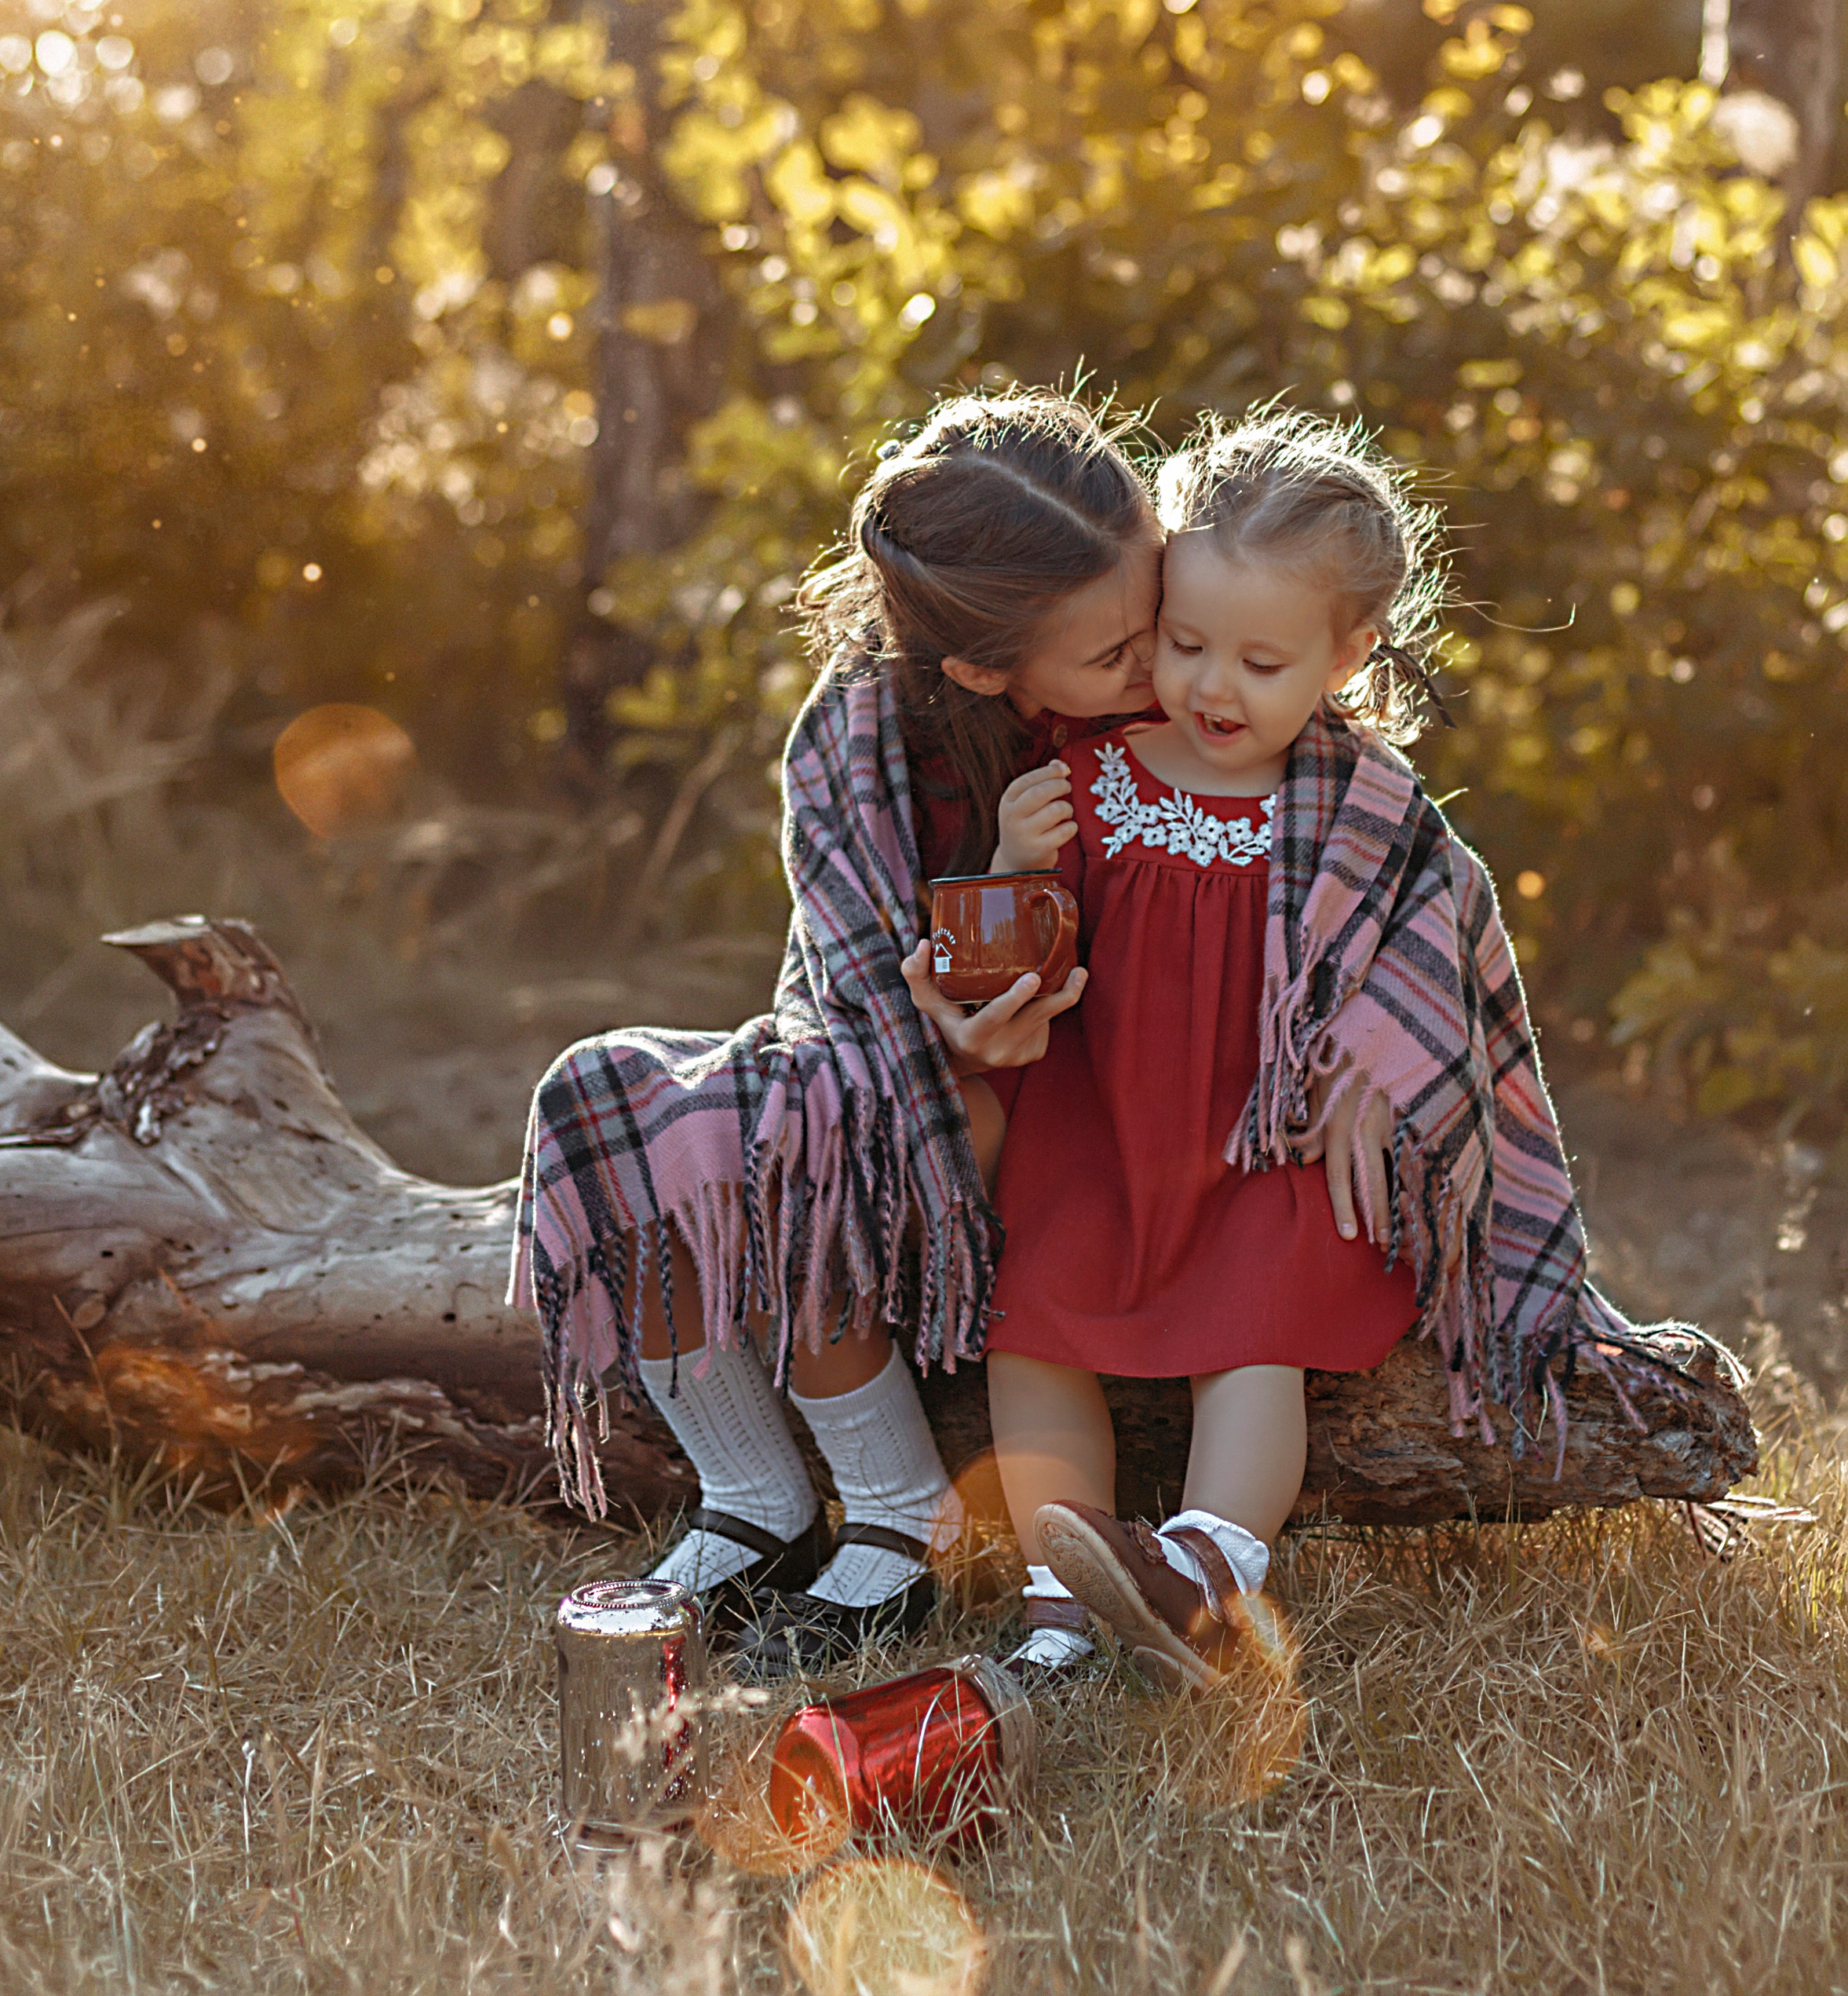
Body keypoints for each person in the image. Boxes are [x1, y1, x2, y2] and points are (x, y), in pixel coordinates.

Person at [511, 389, 1388, 1681]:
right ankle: (756, 1494)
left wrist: (1381, 1053)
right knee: (657, 1117)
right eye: (1126, 653)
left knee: (835, 1147)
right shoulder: (864, 741)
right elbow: (857, 989)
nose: (1168, 670)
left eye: (1165, 617)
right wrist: (951, 1032)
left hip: (1145, 1106)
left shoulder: (1219, 710)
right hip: (961, 1089)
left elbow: (1381, 899)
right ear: (985, 667)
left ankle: (953, 1521)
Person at [959, 408, 1667, 1687]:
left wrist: (1374, 1077)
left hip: (1262, 1143)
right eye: (1184, 644)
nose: (1214, 688)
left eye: (1262, 663)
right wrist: (1016, 862)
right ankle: (1062, 1601)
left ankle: (1205, 1567)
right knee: (1033, 1328)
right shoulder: (1089, 765)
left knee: (1256, 1333)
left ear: (1348, 654)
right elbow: (1028, 951)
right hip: (1102, 1128)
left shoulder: (1367, 811)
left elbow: (1431, 973)